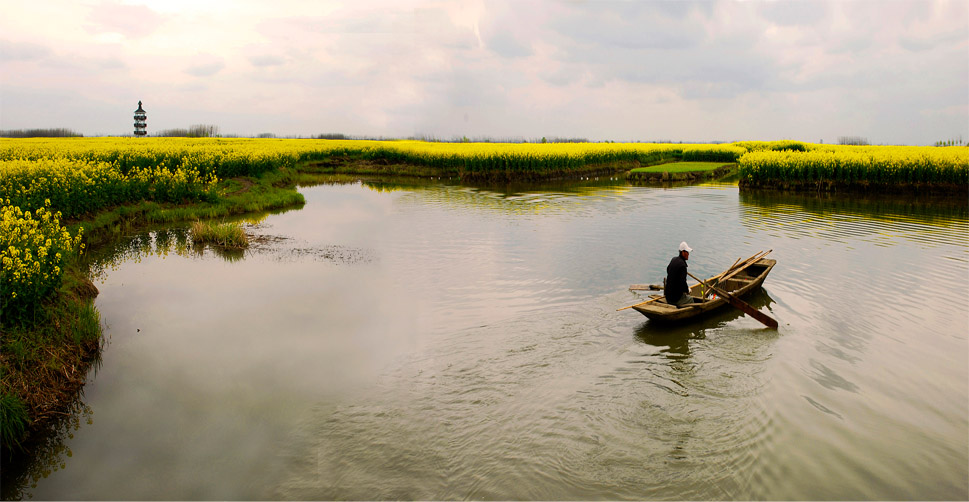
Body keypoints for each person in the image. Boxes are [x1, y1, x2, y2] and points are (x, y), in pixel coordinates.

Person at [665, 241, 694, 307]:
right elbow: (683, 282)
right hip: (675, 299)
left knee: (683, 295)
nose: (688, 254)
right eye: (687, 252)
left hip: (668, 297)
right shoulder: (682, 266)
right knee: (691, 300)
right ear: (683, 252)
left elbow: (668, 270)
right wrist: (687, 290)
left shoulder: (673, 259)